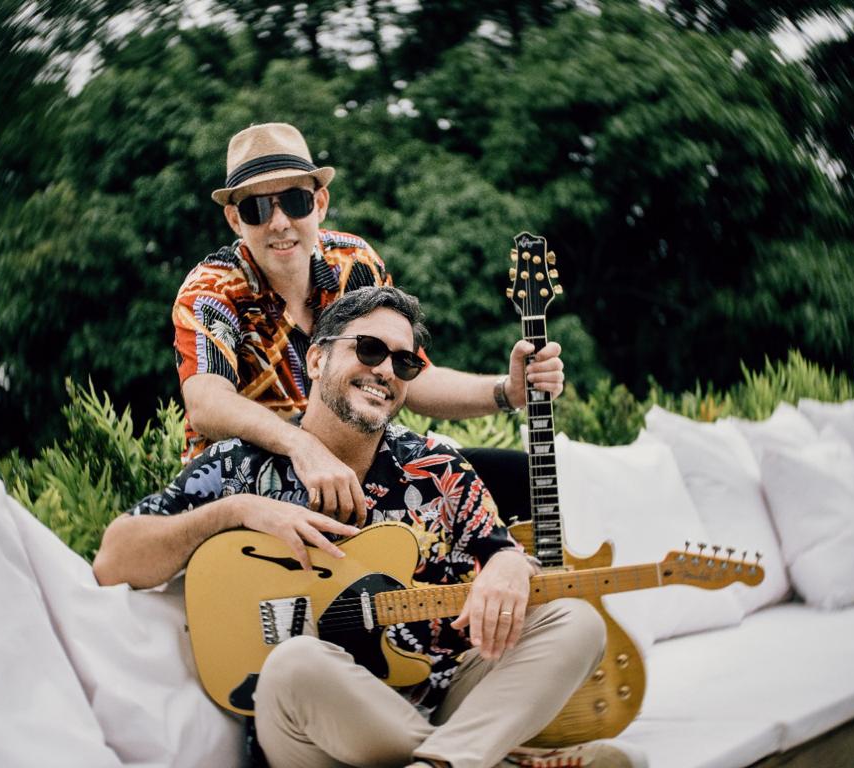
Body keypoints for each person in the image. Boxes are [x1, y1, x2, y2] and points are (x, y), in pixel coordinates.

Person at [94, 286, 606, 768]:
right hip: (315, 730)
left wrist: (510, 563)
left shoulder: (438, 468)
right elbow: (113, 560)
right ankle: (473, 757)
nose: (385, 370)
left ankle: (442, 761)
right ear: (317, 360)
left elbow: (500, 551)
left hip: (443, 703)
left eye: (403, 362)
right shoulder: (239, 466)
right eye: (368, 349)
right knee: (293, 664)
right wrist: (236, 511)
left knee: (576, 622)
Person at [172, 122, 564, 525]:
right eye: (256, 209)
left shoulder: (354, 263)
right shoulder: (211, 290)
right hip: (250, 483)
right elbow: (206, 403)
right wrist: (302, 447)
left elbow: (407, 375)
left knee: (521, 480)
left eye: (294, 201)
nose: (279, 222)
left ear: (320, 203)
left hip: (359, 469)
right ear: (234, 219)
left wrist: (507, 391)